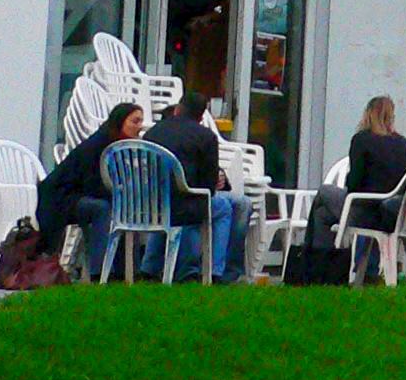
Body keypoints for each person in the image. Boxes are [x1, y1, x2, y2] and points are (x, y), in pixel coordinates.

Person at [146, 96, 253, 284]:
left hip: (153, 202)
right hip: (185, 202)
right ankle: (215, 272)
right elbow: (207, 186)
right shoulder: (205, 136)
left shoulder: (152, 133)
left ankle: (150, 267)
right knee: (224, 208)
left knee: (234, 203)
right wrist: (216, 181)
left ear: (178, 109)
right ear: (201, 116)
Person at [35, 101, 144, 279]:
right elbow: (90, 183)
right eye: (135, 121)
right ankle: (99, 272)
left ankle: (129, 271)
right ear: (120, 122)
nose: (139, 127)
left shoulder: (118, 144)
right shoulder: (100, 144)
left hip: (83, 194)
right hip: (62, 198)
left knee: (123, 208)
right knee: (103, 208)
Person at [306, 95, 406, 254]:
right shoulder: (403, 143)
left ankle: (311, 258)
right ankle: (322, 267)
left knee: (324, 192)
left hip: (367, 211)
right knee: (322, 215)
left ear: (369, 114)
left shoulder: (362, 139)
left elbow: (354, 184)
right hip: (395, 214)